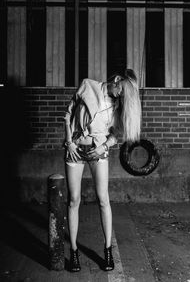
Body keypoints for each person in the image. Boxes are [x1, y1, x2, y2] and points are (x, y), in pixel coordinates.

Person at [64, 68, 141, 272]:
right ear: (117, 80)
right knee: (73, 200)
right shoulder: (87, 85)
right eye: (121, 91)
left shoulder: (117, 106)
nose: (120, 95)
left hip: (98, 152)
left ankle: (107, 250)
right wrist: (69, 141)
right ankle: (73, 252)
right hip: (75, 149)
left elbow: (116, 134)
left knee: (103, 199)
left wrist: (104, 147)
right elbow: (69, 112)